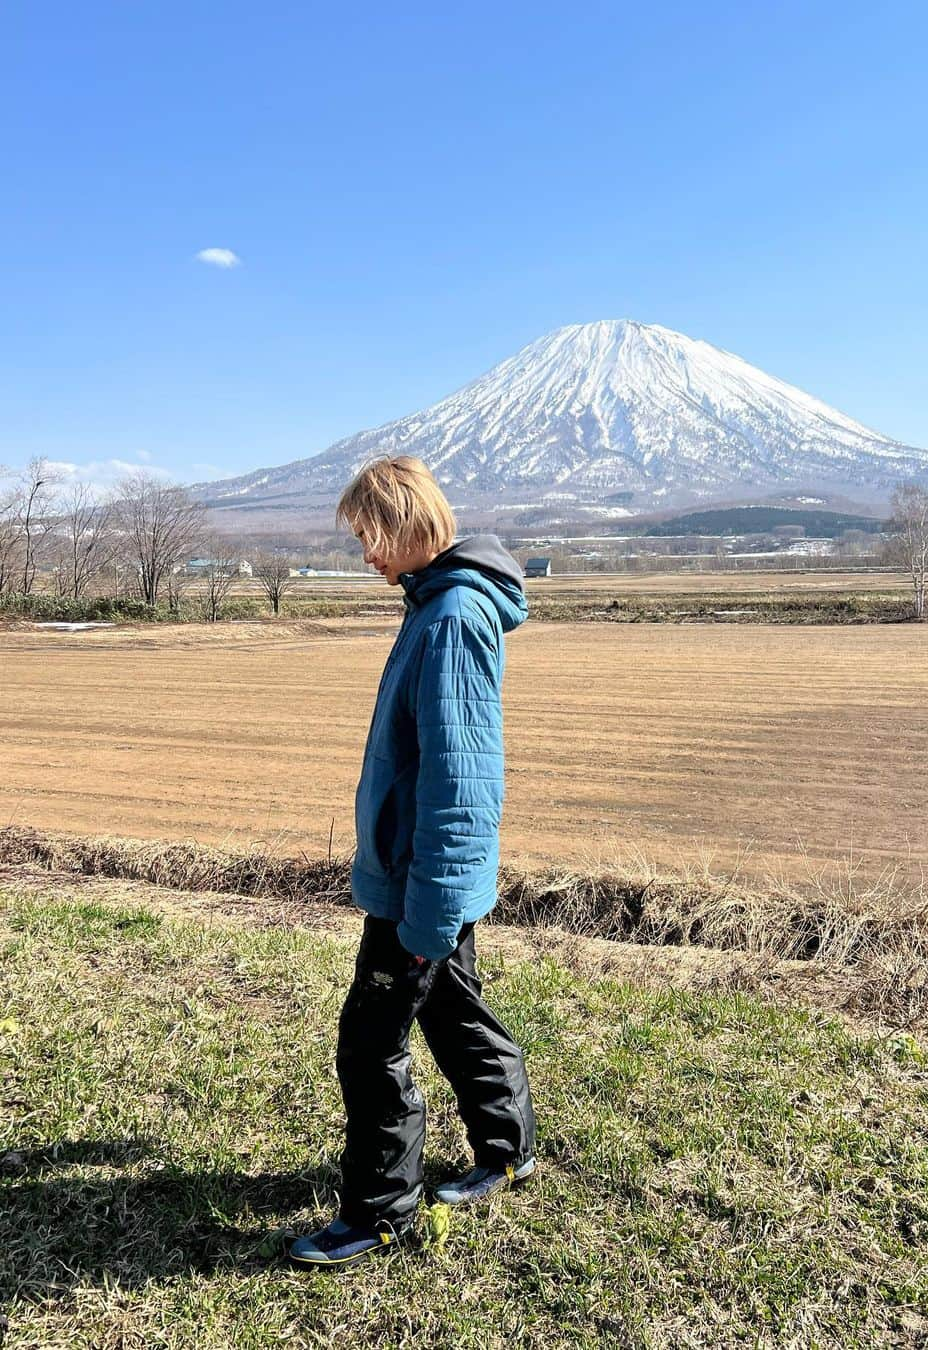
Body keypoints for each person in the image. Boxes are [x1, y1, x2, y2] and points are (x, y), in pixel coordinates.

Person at [289, 454, 537, 1270]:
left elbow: (460, 781)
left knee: (370, 1043)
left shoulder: (451, 616)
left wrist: (427, 911)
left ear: (405, 524)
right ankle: (507, 1150)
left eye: (369, 535)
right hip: (423, 876)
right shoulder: (432, 602)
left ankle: (378, 1214)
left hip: (419, 884)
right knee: (454, 1009)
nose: (364, 554)